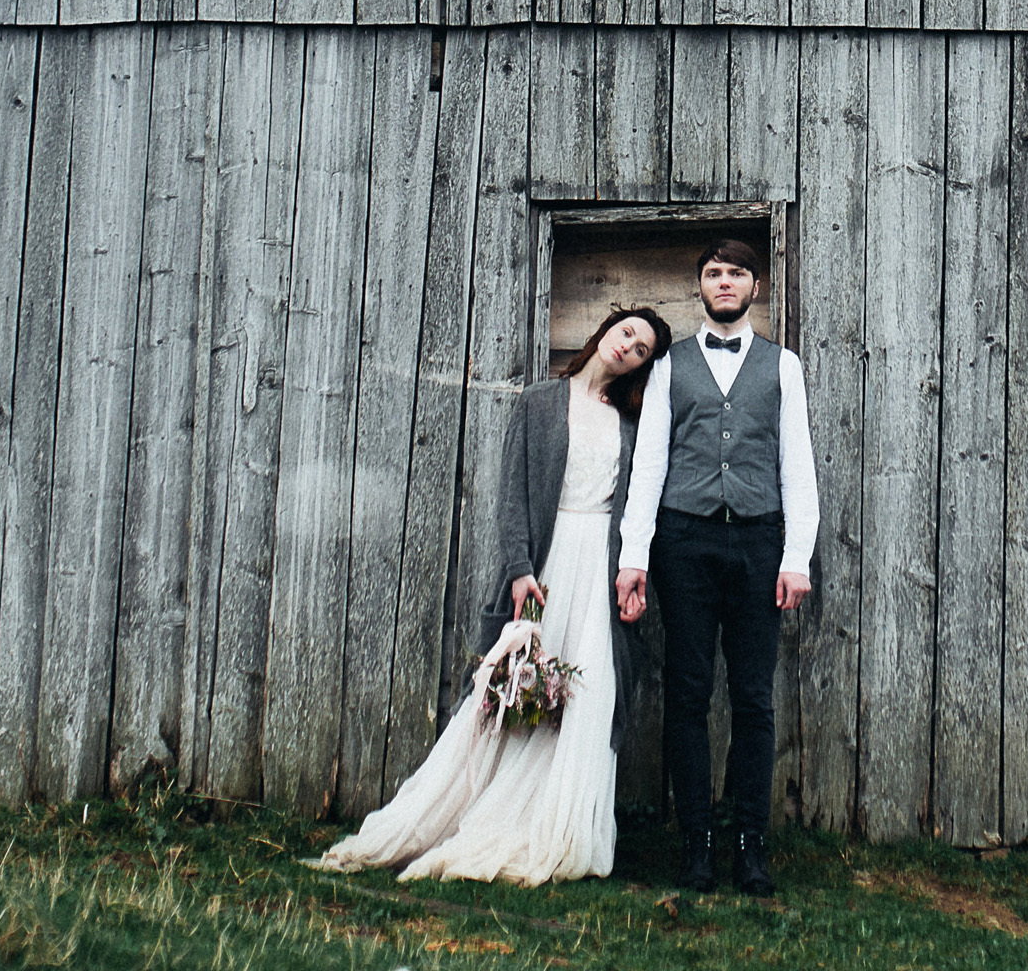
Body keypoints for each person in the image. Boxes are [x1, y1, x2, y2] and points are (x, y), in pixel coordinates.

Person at [308, 305, 673, 885]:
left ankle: (562, 831)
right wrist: (519, 569)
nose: (628, 347)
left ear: (644, 367)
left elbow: (639, 508)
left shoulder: (634, 426)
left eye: (642, 349)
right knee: (519, 699)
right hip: (547, 570)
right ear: (605, 330)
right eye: (626, 332)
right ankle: (471, 818)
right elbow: (511, 496)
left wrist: (635, 572)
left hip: (600, 575)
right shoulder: (539, 403)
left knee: (589, 699)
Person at [615, 239, 817, 896]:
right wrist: (634, 555)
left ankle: (749, 847)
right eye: (712, 273)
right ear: (699, 286)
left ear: (754, 287)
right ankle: (696, 845)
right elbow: (648, 464)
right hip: (683, 542)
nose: (723, 283)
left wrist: (796, 556)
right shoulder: (671, 365)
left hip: (758, 544)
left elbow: (797, 465)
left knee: (754, 701)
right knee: (687, 694)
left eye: (735, 273)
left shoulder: (781, 366)